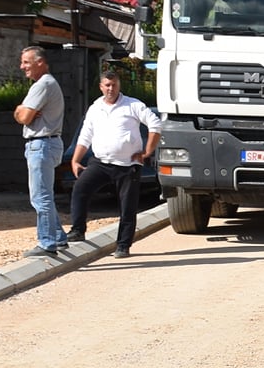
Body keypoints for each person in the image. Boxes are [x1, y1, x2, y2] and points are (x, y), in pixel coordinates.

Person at [67, 65, 161, 258]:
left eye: (114, 85)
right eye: (107, 85)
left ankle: (123, 245)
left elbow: (155, 124)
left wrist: (147, 151)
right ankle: (77, 229)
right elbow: (85, 136)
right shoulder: (95, 108)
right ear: (101, 87)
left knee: (127, 206)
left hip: (127, 165)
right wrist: (76, 160)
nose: (111, 89)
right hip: (100, 162)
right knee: (80, 189)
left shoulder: (133, 105)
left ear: (119, 86)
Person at [14, 47, 67, 257]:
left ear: (40, 62)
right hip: (48, 143)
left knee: (40, 197)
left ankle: (47, 243)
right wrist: (23, 111)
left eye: (26, 62)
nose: (22, 67)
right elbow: (27, 114)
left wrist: (19, 111)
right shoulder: (48, 83)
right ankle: (59, 237)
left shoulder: (43, 84)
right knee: (45, 194)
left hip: (41, 144)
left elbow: (25, 117)